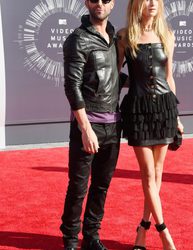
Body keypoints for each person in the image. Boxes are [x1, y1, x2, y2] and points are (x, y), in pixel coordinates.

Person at [117, 0, 184, 249]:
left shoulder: (167, 34)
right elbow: (115, 75)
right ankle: (164, 232)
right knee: (147, 174)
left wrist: (176, 115)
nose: (153, 3)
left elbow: (169, 77)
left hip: (165, 108)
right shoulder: (124, 36)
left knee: (157, 174)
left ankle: (142, 228)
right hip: (138, 110)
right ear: (136, 4)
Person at [60, 0, 121, 249]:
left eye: (105, 0)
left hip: (114, 126)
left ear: (112, 4)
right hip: (89, 126)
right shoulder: (77, 39)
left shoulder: (115, 38)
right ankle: (71, 240)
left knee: (101, 186)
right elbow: (72, 86)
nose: (100, 4)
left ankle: (92, 236)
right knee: (78, 186)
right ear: (87, 2)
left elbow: (113, 76)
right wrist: (85, 129)